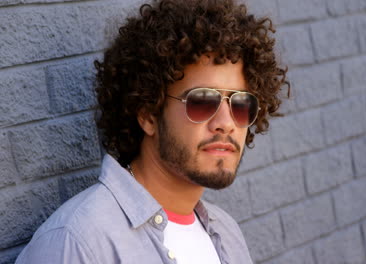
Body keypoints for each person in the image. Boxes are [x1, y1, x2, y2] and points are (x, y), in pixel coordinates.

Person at [15, 0, 288, 263]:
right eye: (203, 101)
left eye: (240, 104)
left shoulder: (226, 234)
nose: (227, 123)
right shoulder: (79, 242)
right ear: (148, 114)